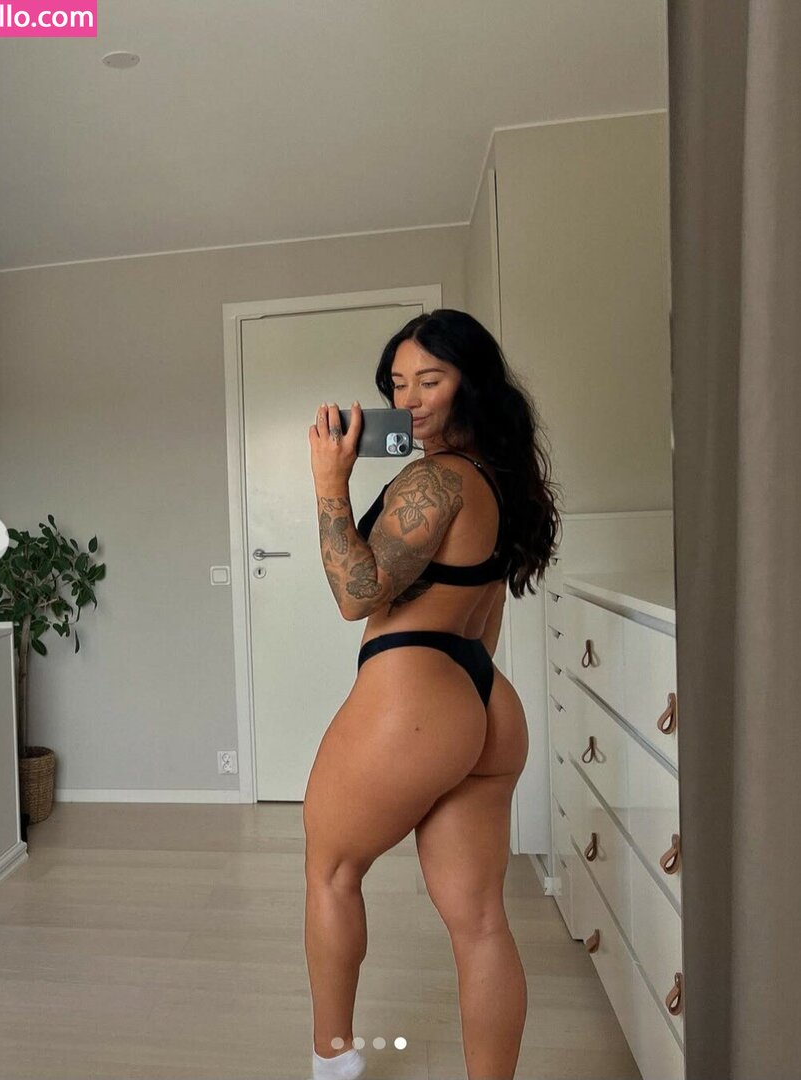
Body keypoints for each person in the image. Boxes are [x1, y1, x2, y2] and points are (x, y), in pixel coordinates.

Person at [303, 308, 562, 1080]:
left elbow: (357, 594)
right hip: (484, 699)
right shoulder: (499, 479)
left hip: (414, 694)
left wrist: (329, 483)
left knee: (331, 873)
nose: (408, 400)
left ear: (469, 385)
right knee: (480, 921)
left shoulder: (436, 478)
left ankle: (332, 1064)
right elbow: (484, 614)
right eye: (396, 384)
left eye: (430, 380)